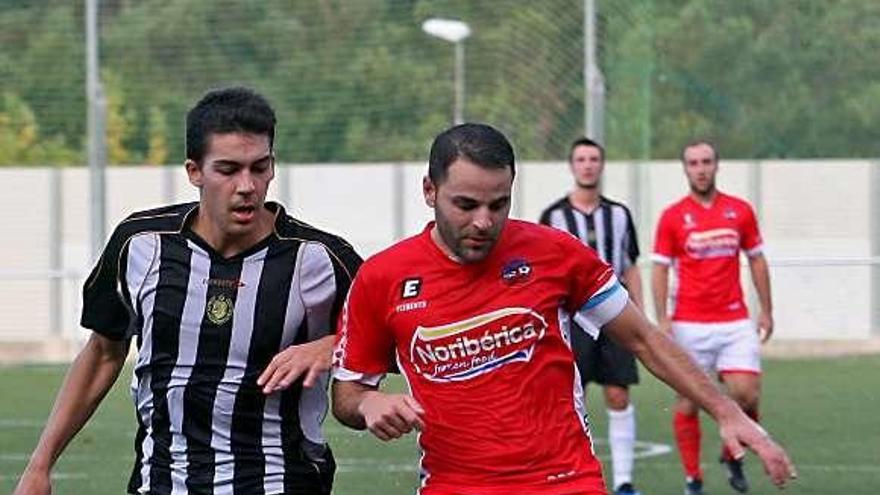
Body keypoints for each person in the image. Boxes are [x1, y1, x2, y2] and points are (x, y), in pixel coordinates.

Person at [331, 123, 795, 495]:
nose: (483, 222)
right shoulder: (382, 278)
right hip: (454, 485)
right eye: (465, 204)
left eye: (499, 204)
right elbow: (347, 395)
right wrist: (369, 401)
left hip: (565, 480)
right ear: (430, 190)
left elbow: (643, 339)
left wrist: (726, 412)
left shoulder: (554, 253)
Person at [13, 87, 361, 495]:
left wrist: (334, 346)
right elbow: (104, 352)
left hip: (281, 479)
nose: (247, 185)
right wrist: (40, 465)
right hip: (163, 480)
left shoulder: (320, 258)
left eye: (259, 167)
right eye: (228, 170)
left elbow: (400, 334)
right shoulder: (140, 244)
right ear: (194, 171)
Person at [651, 140, 773, 495]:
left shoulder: (740, 211)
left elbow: (757, 260)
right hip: (689, 323)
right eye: (693, 163)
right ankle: (693, 480)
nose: (701, 168)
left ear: (717, 166)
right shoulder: (673, 217)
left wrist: (767, 308)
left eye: (706, 161)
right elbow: (659, 270)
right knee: (689, 400)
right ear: (685, 168)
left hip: (734, 319)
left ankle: (731, 454)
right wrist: (663, 319)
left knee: (746, 394)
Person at [539, 137, 644, 495]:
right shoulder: (553, 217)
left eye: (594, 159)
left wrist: (639, 315)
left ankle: (625, 482)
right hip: (571, 325)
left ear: (601, 165)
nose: (588, 165)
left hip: (614, 318)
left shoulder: (619, 214)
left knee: (618, 395)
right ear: (572, 166)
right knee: (568, 399)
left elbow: (630, 267)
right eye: (581, 159)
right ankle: (560, 475)